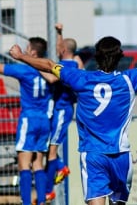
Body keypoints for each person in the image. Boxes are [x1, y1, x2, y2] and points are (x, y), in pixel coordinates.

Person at [9, 34, 137, 205]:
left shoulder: (81, 79)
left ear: (97, 57)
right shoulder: (129, 80)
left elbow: (50, 65)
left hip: (93, 155)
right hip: (121, 156)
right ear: (120, 57)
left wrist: (21, 56)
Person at [0, 33, 53, 205]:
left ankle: (26, 202)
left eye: (27, 48)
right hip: (44, 120)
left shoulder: (25, 69)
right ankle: (41, 201)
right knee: (38, 164)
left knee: (24, 164)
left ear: (32, 53)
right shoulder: (48, 69)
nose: (25, 50)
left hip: (29, 119)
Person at [43, 23, 84, 200]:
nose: (57, 49)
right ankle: (60, 167)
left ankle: (48, 190)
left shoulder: (65, 67)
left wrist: (33, 63)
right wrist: (60, 33)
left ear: (63, 50)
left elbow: (52, 78)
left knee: (51, 151)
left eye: (59, 47)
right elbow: (66, 50)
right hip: (61, 110)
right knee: (48, 150)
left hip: (62, 112)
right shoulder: (76, 63)